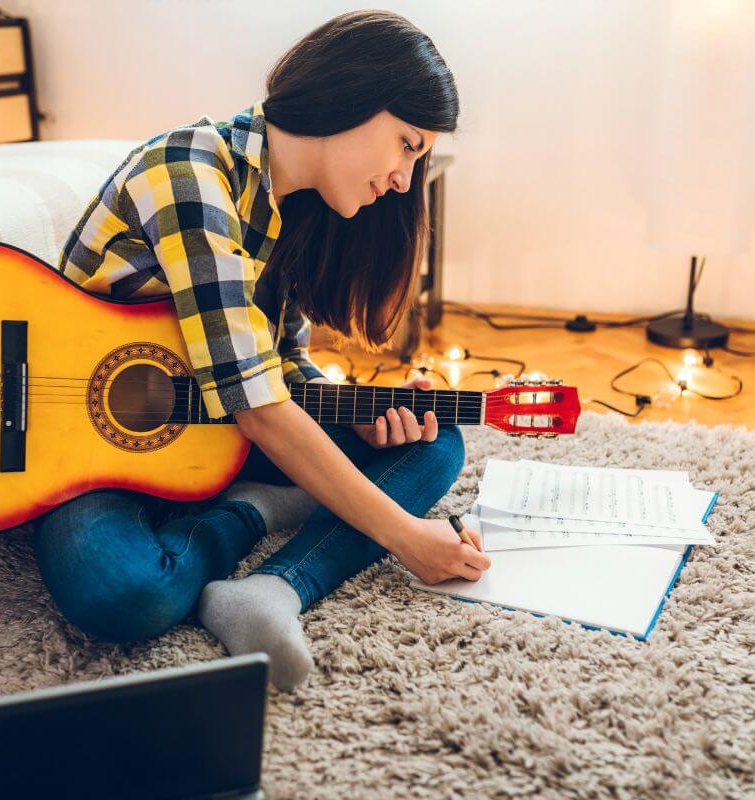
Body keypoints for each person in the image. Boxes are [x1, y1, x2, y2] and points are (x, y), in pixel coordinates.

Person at [36, 9, 490, 692]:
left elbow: (281, 367)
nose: (402, 179)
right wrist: (405, 537)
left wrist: (352, 411)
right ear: (353, 94)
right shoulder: (188, 169)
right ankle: (250, 512)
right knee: (124, 593)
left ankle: (273, 588)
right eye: (406, 143)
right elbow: (259, 407)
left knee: (435, 441)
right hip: (92, 451)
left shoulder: (298, 207)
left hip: (204, 434)